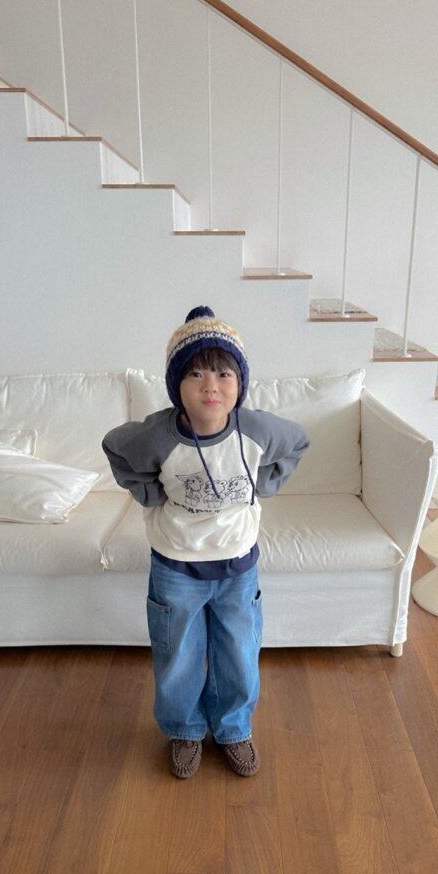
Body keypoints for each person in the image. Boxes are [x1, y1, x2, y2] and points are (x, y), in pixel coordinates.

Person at [101, 305, 310, 779]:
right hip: (176, 567)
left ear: (240, 382)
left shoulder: (257, 430)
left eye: (223, 373)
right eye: (195, 374)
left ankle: (234, 729)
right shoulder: (157, 435)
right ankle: (185, 729)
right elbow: (115, 446)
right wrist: (149, 492)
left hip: (239, 567)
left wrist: (264, 484)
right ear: (176, 385)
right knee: (178, 654)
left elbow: (297, 442)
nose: (210, 385)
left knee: (239, 652)